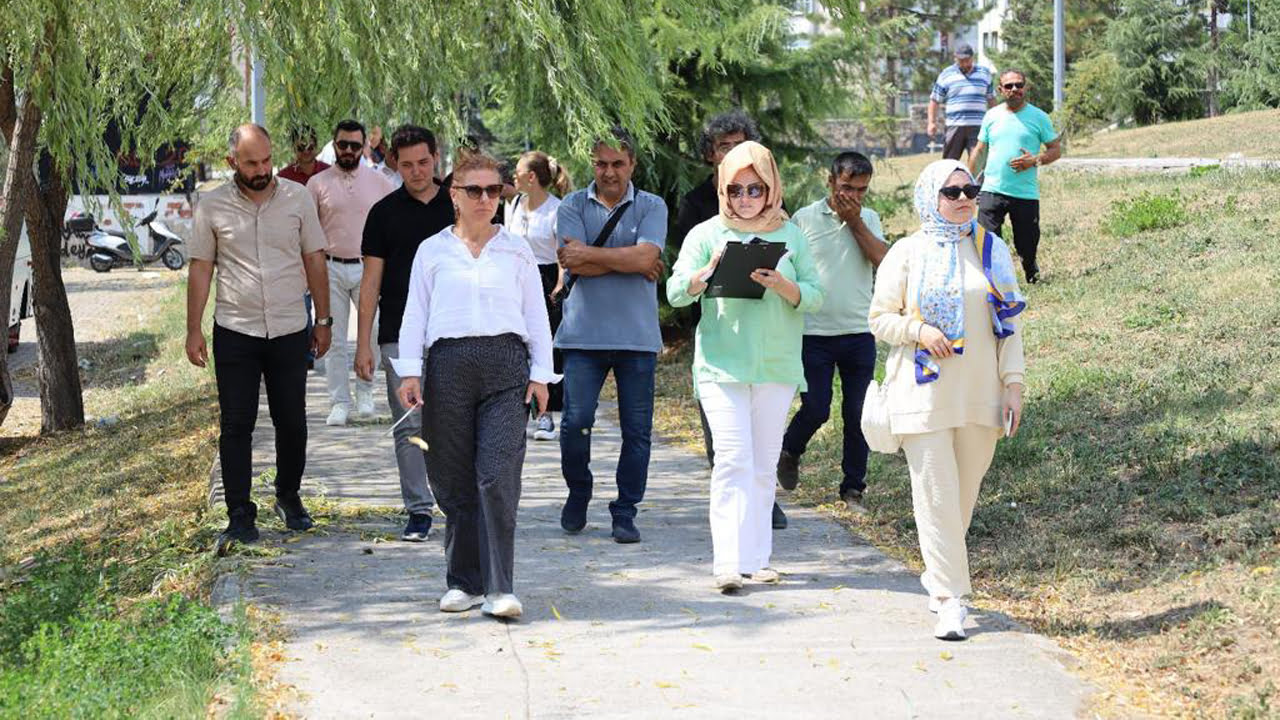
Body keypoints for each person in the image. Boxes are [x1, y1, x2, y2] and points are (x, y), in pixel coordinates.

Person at [867, 159, 1027, 641]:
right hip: (924, 393)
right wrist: (919, 330)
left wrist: (1014, 385)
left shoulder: (992, 249)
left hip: (981, 394)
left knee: (962, 500)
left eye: (969, 190)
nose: (962, 199)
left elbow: (1010, 323)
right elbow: (880, 318)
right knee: (935, 497)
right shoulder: (907, 252)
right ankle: (950, 599)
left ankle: (938, 576)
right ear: (929, 198)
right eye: (951, 192)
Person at [394, 149, 557, 619]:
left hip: (506, 367)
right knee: (452, 476)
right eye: (475, 190)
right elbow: (415, 315)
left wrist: (541, 375)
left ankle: (501, 588)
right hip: (448, 367)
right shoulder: (433, 250)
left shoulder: (516, 248)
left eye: (493, 190)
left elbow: (536, 316)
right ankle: (463, 581)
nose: (486, 198)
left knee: (497, 472)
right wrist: (411, 371)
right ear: (455, 195)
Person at [666, 141, 823, 592]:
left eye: (756, 189)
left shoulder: (791, 235)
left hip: (775, 365)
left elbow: (815, 294)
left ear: (771, 187)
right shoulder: (706, 234)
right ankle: (727, 563)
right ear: (722, 189)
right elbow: (676, 291)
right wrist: (706, 273)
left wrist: (784, 285)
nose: (745, 198)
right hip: (720, 366)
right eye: (735, 189)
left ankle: (757, 560)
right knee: (731, 460)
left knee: (762, 463)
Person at [186, 123, 332, 544]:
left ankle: (288, 495)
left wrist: (323, 320)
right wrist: (193, 329)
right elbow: (201, 269)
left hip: (289, 326)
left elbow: (314, 259)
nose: (262, 169)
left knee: (293, 421)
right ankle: (239, 514)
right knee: (236, 424)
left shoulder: (297, 198)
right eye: (251, 162)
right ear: (232, 162)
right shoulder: (212, 206)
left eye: (266, 159)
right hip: (235, 328)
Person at [672, 109, 791, 531]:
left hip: (766, 329)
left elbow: (795, 265)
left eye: (740, 145)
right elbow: (683, 276)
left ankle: (763, 503)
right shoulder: (696, 206)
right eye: (723, 147)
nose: (732, 154)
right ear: (710, 154)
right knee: (724, 434)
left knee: (763, 435)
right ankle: (730, 506)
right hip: (719, 329)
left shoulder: (772, 202)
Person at [555, 126, 667, 545]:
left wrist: (593, 256)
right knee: (575, 424)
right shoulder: (570, 205)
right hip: (583, 335)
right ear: (592, 163)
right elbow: (573, 262)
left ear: (632, 164)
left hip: (637, 338)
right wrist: (630, 261)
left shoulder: (652, 206)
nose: (609, 172)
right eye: (601, 163)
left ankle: (625, 510)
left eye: (618, 163)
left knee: (637, 431)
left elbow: (648, 255)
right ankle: (579, 490)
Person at [355, 125, 453, 542]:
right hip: (399, 334)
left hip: (454, 331)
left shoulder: (459, 205)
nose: (416, 172)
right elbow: (370, 283)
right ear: (394, 162)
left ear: (437, 159)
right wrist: (363, 343)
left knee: (453, 424)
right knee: (409, 426)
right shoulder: (382, 214)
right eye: (408, 164)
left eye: (424, 163)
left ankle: (457, 503)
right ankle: (418, 509)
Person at [778, 152, 886, 508]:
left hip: (858, 331)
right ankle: (789, 450)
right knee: (817, 408)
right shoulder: (805, 219)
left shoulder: (868, 218)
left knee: (857, 414)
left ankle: (853, 488)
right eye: (846, 188)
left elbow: (883, 261)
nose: (852, 196)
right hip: (814, 333)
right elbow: (789, 270)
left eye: (861, 190)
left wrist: (855, 222)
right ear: (830, 182)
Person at [309, 119, 397, 426]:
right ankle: (339, 401)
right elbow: (306, 232)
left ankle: (365, 393)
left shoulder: (381, 182)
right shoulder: (317, 184)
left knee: (370, 334)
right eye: (343, 144)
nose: (348, 150)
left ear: (365, 147)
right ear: (334, 144)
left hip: (368, 268)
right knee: (332, 336)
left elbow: (394, 223)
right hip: (329, 267)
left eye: (355, 146)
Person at [968, 69, 1062, 284]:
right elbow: (980, 150)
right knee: (987, 242)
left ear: (1025, 88)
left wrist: (1035, 160)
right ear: (1000, 90)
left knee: (1027, 244)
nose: (1014, 89)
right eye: (1009, 86)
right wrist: (968, 180)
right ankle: (995, 284)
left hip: (1024, 192)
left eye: (1019, 85)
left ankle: (1031, 273)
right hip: (992, 189)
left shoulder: (1039, 117)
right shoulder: (991, 115)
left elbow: (1055, 150)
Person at [506, 150, 572, 441]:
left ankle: (545, 415)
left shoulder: (557, 209)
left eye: (518, 171)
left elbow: (561, 254)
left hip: (545, 281)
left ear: (531, 177)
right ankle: (515, 412)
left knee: (543, 349)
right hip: (515, 278)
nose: (513, 176)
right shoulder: (515, 204)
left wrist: (559, 285)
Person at [277, 127, 331, 371]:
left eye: (310, 146)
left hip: (324, 249)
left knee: (323, 302)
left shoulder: (328, 175)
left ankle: (321, 350)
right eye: (301, 147)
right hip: (294, 252)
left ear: (317, 145)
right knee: (301, 304)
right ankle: (304, 355)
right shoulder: (283, 179)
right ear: (293, 148)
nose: (306, 152)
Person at [927, 43, 995, 161]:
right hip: (954, 125)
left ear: (972, 58)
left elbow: (991, 99)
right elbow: (934, 100)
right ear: (955, 58)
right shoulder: (946, 74)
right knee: (949, 163)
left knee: (978, 161)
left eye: (966, 60)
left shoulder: (984, 73)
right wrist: (931, 122)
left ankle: (977, 180)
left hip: (978, 126)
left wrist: (995, 121)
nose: (964, 63)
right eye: (960, 60)